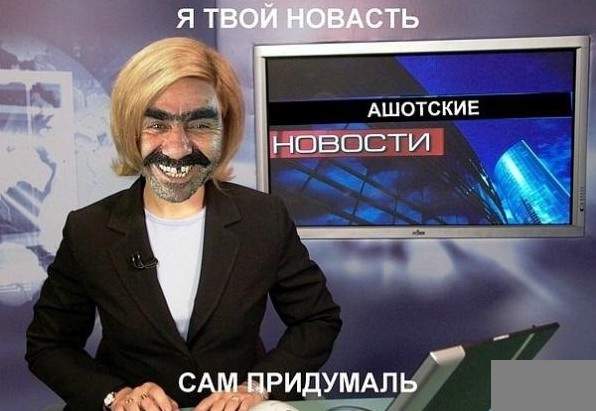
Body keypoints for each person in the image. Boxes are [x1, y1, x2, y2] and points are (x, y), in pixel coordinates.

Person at [26, 37, 342, 411]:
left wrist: (257, 387)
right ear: (131, 129)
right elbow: (49, 345)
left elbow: (317, 320)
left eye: (200, 124)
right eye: (156, 124)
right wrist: (115, 396)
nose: (177, 148)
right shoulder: (88, 229)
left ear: (225, 129)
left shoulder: (264, 218)